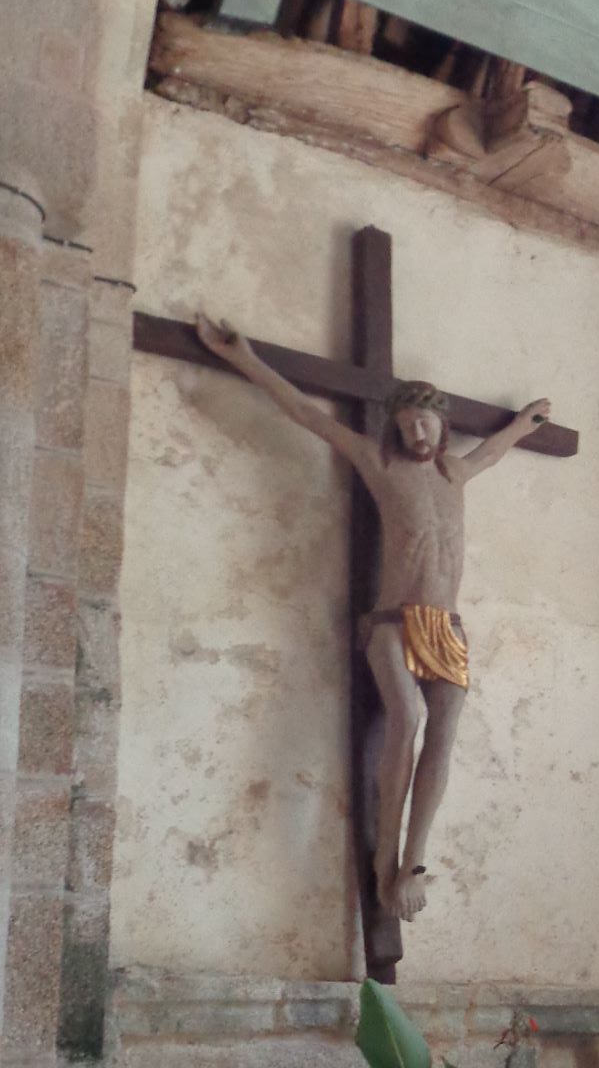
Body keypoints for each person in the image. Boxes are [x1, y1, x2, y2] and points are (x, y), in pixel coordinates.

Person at [195, 315, 549, 919]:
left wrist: (521, 424)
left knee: (444, 733)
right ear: (397, 427)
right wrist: (245, 360)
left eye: (426, 421)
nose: (417, 430)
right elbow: (307, 416)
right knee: (406, 717)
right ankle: (386, 853)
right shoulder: (378, 464)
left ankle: (414, 859)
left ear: (442, 427)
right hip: (392, 619)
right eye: (408, 422)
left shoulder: (454, 473)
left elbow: (493, 450)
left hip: (448, 627)